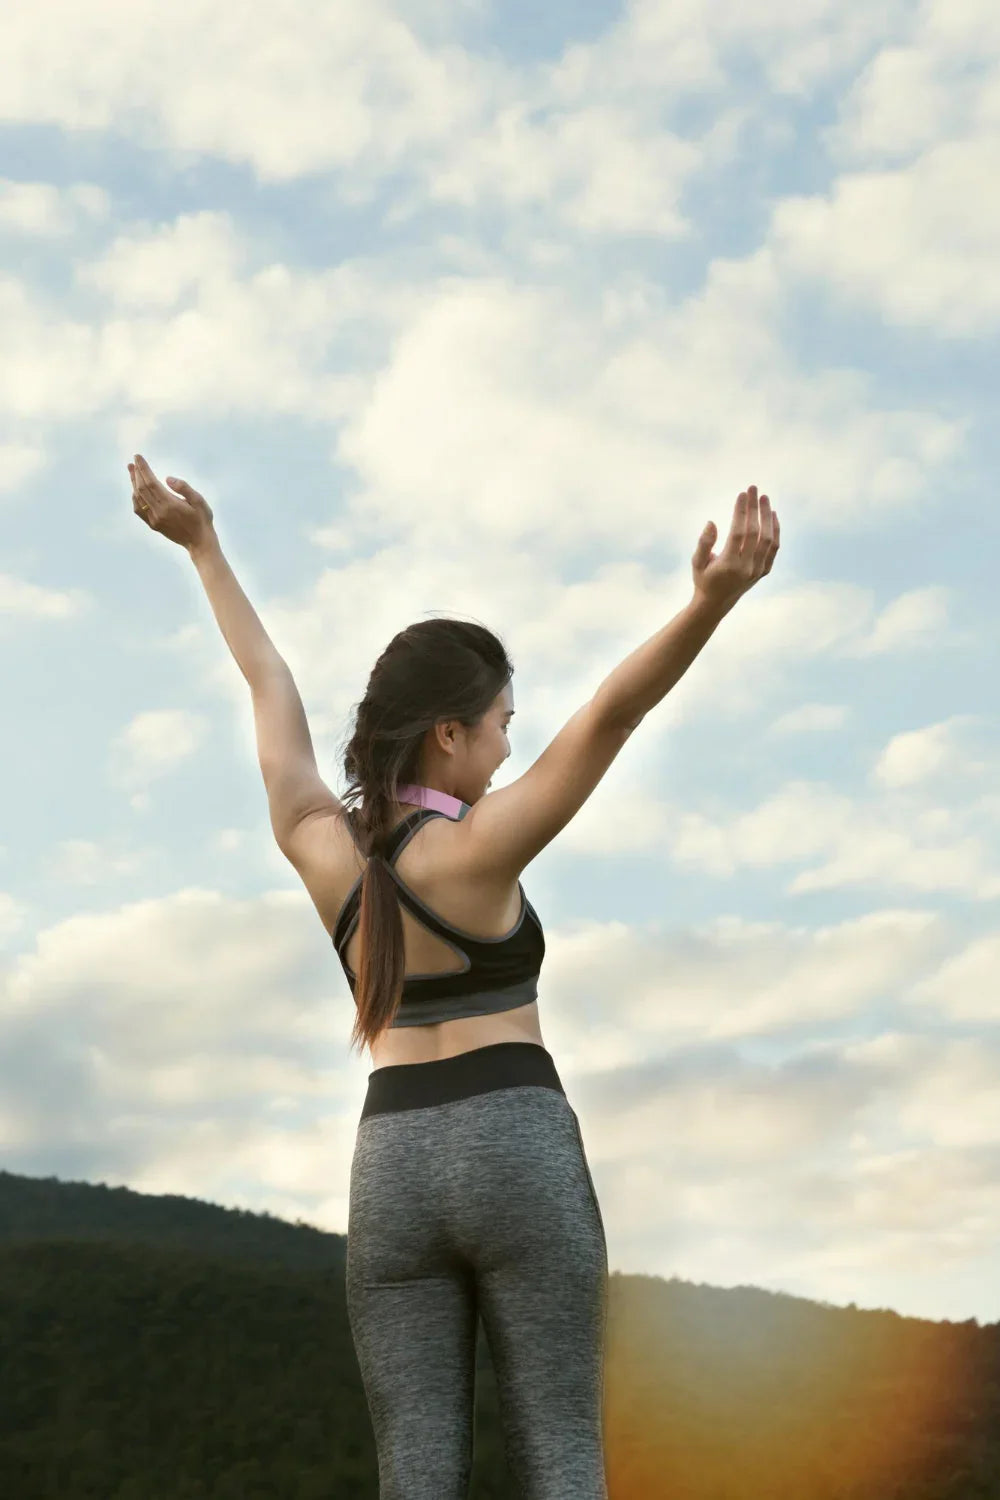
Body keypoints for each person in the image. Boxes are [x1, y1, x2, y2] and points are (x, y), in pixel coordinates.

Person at [128, 454, 779, 1498]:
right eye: (501, 726)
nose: (506, 746)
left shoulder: (315, 841)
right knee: (559, 1451)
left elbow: (268, 684)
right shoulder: (481, 848)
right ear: (449, 732)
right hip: (514, 1143)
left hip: (389, 1161)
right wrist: (710, 602)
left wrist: (204, 549)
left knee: (416, 1469)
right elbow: (613, 714)